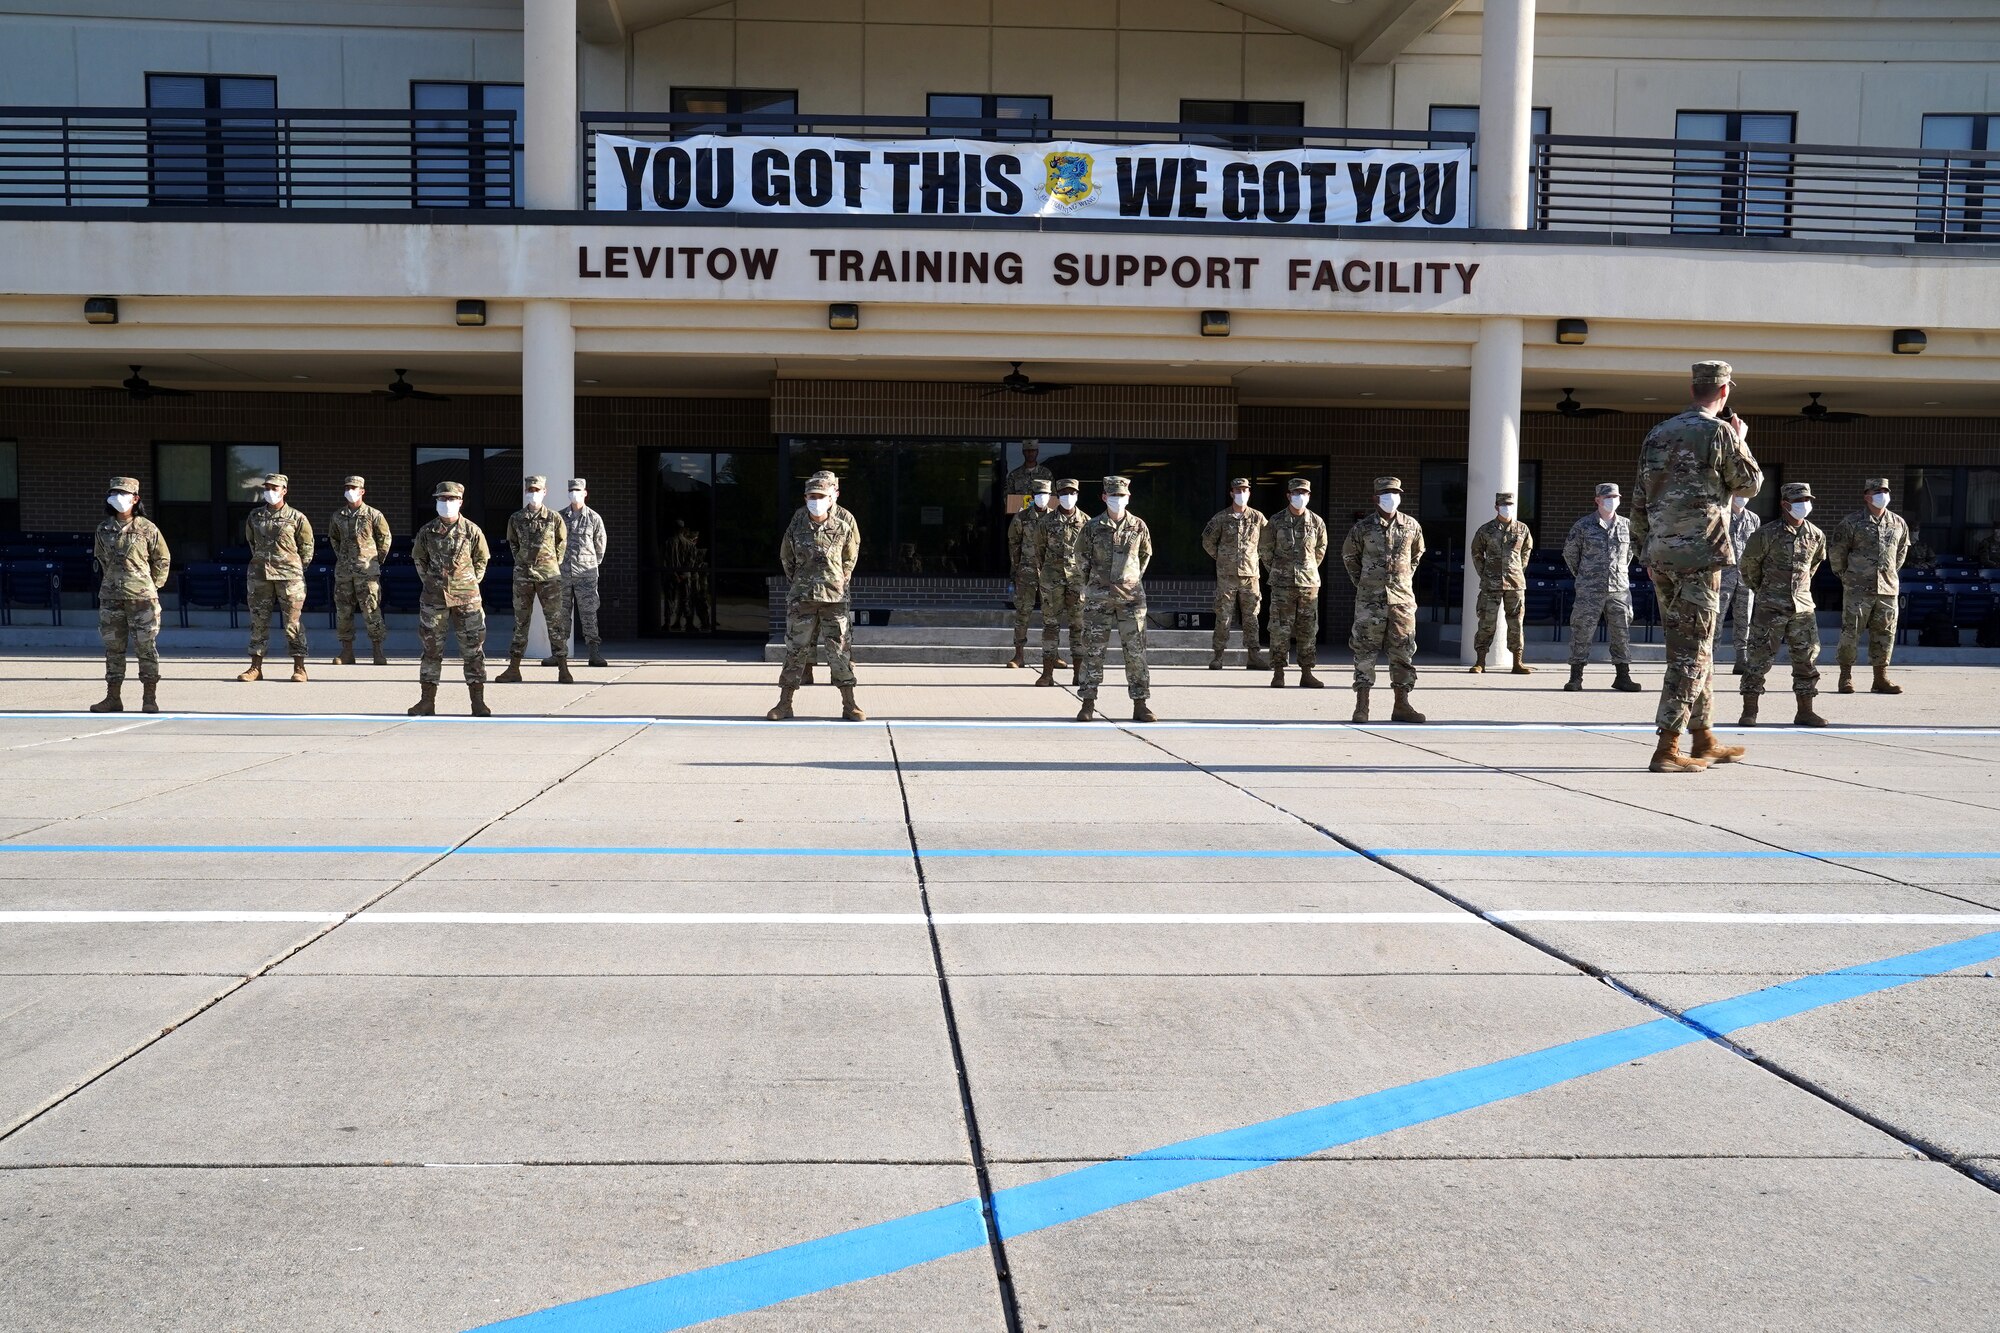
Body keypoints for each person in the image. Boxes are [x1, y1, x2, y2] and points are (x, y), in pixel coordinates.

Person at [1629, 359, 1764, 773]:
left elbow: (1639, 498)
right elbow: (1750, 484)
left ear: (1693, 388)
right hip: (1700, 557)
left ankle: (1703, 737)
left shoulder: (1658, 433)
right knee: (1693, 653)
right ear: (1724, 392)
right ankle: (1667, 748)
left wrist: (1644, 552)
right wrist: (1740, 439)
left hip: (1662, 555)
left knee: (1692, 647)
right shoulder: (1720, 431)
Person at [768, 470, 863, 722]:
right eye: (812, 495)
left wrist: (840, 579)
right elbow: (786, 558)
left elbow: (849, 557)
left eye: (821, 495)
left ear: (832, 496)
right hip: (803, 598)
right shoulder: (797, 526)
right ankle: (785, 704)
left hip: (834, 599)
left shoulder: (843, 525)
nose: (816, 499)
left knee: (840, 651)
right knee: (795, 650)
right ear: (805, 496)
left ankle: (849, 704)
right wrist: (802, 582)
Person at [1737, 482, 1828, 728]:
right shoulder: (1766, 534)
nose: (1804, 505)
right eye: (1799, 501)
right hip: (1770, 607)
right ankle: (1750, 711)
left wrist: (1799, 592)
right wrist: (1765, 591)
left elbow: (1813, 566)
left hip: (1802, 609)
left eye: (1807, 500)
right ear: (1785, 504)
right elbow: (1749, 568)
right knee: (1758, 659)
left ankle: (1805, 711)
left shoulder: (1816, 535)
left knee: (1806, 660)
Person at [1342, 476, 1426, 723]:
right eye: (1387, 493)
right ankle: (1362, 706)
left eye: (1396, 492)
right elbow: (1350, 558)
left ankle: (1402, 704)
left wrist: (1402, 580)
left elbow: (1416, 554)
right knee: (1365, 651)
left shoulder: (1411, 526)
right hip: (1370, 601)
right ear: (1376, 498)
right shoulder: (1362, 528)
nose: (1392, 497)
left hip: (1401, 601)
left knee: (1403, 651)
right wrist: (1365, 584)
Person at [1072, 475, 1155, 723]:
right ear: (1104, 497)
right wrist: (1095, 583)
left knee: (1136, 652)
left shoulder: (1138, 526)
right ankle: (1088, 703)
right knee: (1093, 651)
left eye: (1122, 496)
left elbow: (1144, 556)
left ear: (1128, 497)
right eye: (1113, 496)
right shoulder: (1092, 527)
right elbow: (1081, 558)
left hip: (1131, 599)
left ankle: (1140, 704)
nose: (1118, 500)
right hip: (1099, 597)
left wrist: (1130, 580)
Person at [409, 480, 491, 717]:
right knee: (431, 650)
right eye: (442, 499)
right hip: (434, 599)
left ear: (460, 502)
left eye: (451, 499)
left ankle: (478, 702)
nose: (446, 503)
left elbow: (481, 561)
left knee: (473, 649)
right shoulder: (427, 531)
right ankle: (427, 701)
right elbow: (419, 560)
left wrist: (469, 583)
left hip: (467, 599)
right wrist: (431, 582)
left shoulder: (472, 531)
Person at [90, 475, 169, 714]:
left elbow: (162, 559)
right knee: (113, 648)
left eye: (123, 494)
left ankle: (149, 698)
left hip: (142, 599)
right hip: (112, 597)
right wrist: (114, 583)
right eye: (114, 493)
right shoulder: (104, 529)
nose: (118, 498)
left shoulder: (147, 528)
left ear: (135, 499)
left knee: (146, 647)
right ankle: (113, 697)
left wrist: (151, 586)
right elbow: (102, 559)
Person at [1828, 477, 1912, 695]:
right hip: (1858, 588)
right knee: (1850, 632)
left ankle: (1880, 678)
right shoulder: (1851, 522)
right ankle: (1845, 676)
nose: (1882, 495)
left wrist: (1889, 574)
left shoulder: (1898, 523)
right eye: (1877, 491)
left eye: (1885, 491)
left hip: (1887, 589)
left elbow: (1901, 553)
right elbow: (1837, 552)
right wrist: (1846, 576)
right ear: (1867, 496)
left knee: (1885, 633)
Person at [1562, 484, 1643, 693]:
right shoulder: (1583, 525)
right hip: (1590, 589)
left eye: (1615, 496)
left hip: (1619, 589)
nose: (1611, 500)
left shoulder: (1627, 526)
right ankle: (1576, 677)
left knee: (1621, 632)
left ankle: (1623, 676)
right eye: (1607, 497)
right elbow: (1571, 554)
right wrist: (1585, 575)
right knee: (1582, 631)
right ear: (1597, 499)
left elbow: (1629, 555)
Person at [237, 471, 313, 684]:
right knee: (258, 621)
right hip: (259, 575)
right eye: (267, 488)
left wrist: (295, 568)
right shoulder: (255, 516)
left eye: (274, 488)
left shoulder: (297, 517)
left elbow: (307, 548)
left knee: (292, 623)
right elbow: (252, 542)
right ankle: (255, 667)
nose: (270, 492)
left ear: (284, 491)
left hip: (289, 577)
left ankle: (299, 668)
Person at [495, 475, 570, 684]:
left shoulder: (554, 518)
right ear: (526, 492)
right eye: (530, 489)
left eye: (537, 490)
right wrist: (523, 562)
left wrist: (550, 563)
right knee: (521, 623)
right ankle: (514, 668)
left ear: (544, 492)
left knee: (555, 622)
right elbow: (513, 544)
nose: (534, 493)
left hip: (549, 577)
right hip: (523, 577)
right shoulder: (516, 518)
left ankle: (563, 668)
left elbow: (561, 544)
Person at [1260, 478, 1328, 688]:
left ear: (1309, 496)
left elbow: (1320, 550)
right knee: (1280, 628)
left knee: (1308, 629)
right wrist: (1279, 570)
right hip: (1282, 585)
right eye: (1296, 493)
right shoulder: (1276, 521)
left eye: (1304, 493)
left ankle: (1306, 672)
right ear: (1288, 495)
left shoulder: (1316, 522)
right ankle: (1278, 672)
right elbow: (1265, 550)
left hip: (1308, 585)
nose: (1301, 496)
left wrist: (1307, 569)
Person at [1202, 477, 1269, 671]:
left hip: (1250, 575)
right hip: (1227, 576)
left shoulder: (1257, 517)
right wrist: (1222, 558)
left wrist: (1257, 558)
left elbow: (1267, 542)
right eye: (1237, 491)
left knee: (1252, 616)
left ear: (1249, 493)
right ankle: (1218, 656)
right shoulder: (1221, 517)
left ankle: (1253, 656)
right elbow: (1207, 541)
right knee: (1223, 616)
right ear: (1231, 493)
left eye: (1245, 490)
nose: (1241, 494)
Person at [327, 474, 391, 666]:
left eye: (354, 488)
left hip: (367, 572)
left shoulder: (374, 515)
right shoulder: (338, 516)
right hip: (344, 571)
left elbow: (385, 539)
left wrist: (374, 561)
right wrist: (343, 558)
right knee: (343, 611)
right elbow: (334, 538)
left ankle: (377, 651)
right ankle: (347, 652)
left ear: (362, 491)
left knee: (371, 610)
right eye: (347, 488)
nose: (350, 491)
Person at [1468, 490, 1533, 675]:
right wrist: (1485, 574)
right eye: (1503, 505)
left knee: (1516, 624)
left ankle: (1517, 662)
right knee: (1486, 622)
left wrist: (1518, 570)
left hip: (1515, 584)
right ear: (1496, 507)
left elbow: (1526, 552)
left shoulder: (1522, 529)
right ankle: (1480, 661)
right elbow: (1476, 553)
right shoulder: (1485, 530)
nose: (1507, 508)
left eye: (1510, 505)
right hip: (1491, 584)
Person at [1034, 478, 1088, 686]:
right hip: (1052, 580)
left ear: (1077, 494)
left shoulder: (1087, 522)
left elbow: (1091, 554)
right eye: (1064, 493)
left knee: (1078, 627)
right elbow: (1039, 551)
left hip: (1077, 581)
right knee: (1050, 626)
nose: (1068, 496)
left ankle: (1078, 673)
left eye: (1072, 492)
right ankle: (1047, 674)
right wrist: (1047, 573)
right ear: (1057, 495)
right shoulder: (1046, 522)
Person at [555, 478, 609, 668]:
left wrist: (589, 564)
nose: (574, 493)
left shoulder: (594, 518)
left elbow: (600, 547)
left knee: (589, 614)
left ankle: (594, 653)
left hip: (586, 575)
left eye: (578, 490)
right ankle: (559, 654)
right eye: (571, 490)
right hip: (563, 574)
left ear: (585, 493)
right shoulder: (559, 517)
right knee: (561, 615)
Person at [1007, 478, 1051, 667]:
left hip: (1051, 573)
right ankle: (1019, 655)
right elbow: (1013, 544)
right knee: (1023, 613)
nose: (1043, 498)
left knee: (1051, 615)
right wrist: (1016, 568)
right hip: (1026, 571)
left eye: (1046, 494)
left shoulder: (1056, 517)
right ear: (1032, 497)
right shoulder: (1022, 517)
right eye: (1039, 495)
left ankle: (1052, 655)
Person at [1716, 494, 1761, 674]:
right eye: (1738, 493)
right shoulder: (1720, 516)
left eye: (1745, 494)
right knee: (1716, 618)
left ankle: (1741, 658)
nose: (1742, 497)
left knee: (1744, 619)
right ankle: (1708, 656)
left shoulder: (1753, 519)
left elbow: (1757, 548)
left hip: (1745, 577)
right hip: (1722, 576)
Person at [1002, 444, 1052, 512]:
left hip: (1042, 516)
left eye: (1033, 451)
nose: (1030, 453)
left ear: (1037, 452)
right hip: (1019, 515)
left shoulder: (1046, 474)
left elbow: (1053, 495)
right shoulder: (1014, 475)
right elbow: (1007, 497)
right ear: (1023, 452)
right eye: (1028, 451)